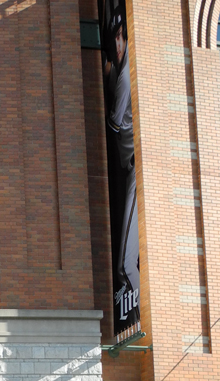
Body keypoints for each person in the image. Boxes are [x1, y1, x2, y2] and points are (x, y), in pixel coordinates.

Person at [104, 6, 140, 331]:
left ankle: (133, 321)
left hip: (135, 171)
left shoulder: (126, 76)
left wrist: (109, 75)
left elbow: (114, 123)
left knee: (126, 266)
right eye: (114, 37)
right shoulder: (121, 67)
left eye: (120, 37)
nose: (117, 44)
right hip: (131, 170)